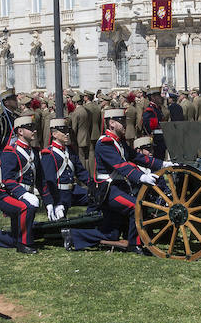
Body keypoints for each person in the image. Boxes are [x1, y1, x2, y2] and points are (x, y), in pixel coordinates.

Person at [70, 108, 166, 254]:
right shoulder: (105, 143)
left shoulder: (118, 142)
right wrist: (141, 177)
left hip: (118, 188)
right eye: (121, 121)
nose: (124, 125)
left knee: (111, 234)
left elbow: (137, 157)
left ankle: (73, 235)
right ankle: (135, 245)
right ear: (112, 123)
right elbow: (121, 165)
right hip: (108, 190)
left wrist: (163, 164)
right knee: (136, 207)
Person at [0, 115, 42, 254]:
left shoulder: (34, 152)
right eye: (30, 128)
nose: (34, 131)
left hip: (23, 195)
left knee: (15, 236)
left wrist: (50, 202)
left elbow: (41, 179)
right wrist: (24, 195)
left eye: (34, 128)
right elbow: (7, 181)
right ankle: (24, 244)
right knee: (26, 207)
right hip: (8, 196)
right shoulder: (10, 151)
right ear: (20, 131)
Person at [40, 118, 89, 219]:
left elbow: (81, 172)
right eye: (63, 131)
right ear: (54, 134)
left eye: (67, 131)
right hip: (59, 194)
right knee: (59, 226)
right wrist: (54, 202)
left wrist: (94, 185)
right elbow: (49, 181)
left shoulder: (69, 150)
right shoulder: (49, 154)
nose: (67, 134)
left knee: (96, 197)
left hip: (73, 191)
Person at [142, 87, 167, 159]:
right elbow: (149, 127)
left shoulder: (157, 108)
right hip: (155, 141)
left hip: (160, 140)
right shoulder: (150, 110)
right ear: (153, 97)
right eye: (158, 96)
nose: (161, 98)